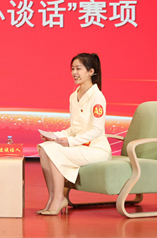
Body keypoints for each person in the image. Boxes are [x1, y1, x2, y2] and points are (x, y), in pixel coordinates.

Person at [37, 53, 112, 216]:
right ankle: (52, 198)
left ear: (91, 71)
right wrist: (54, 136)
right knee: (45, 147)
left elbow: (97, 130)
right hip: (80, 146)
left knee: (55, 151)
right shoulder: (74, 96)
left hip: (96, 149)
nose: (74, 73)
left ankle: (59, 199)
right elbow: (73, 128)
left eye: (78, 69)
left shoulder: (97, 97)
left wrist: (70, 142)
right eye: (72, 69)